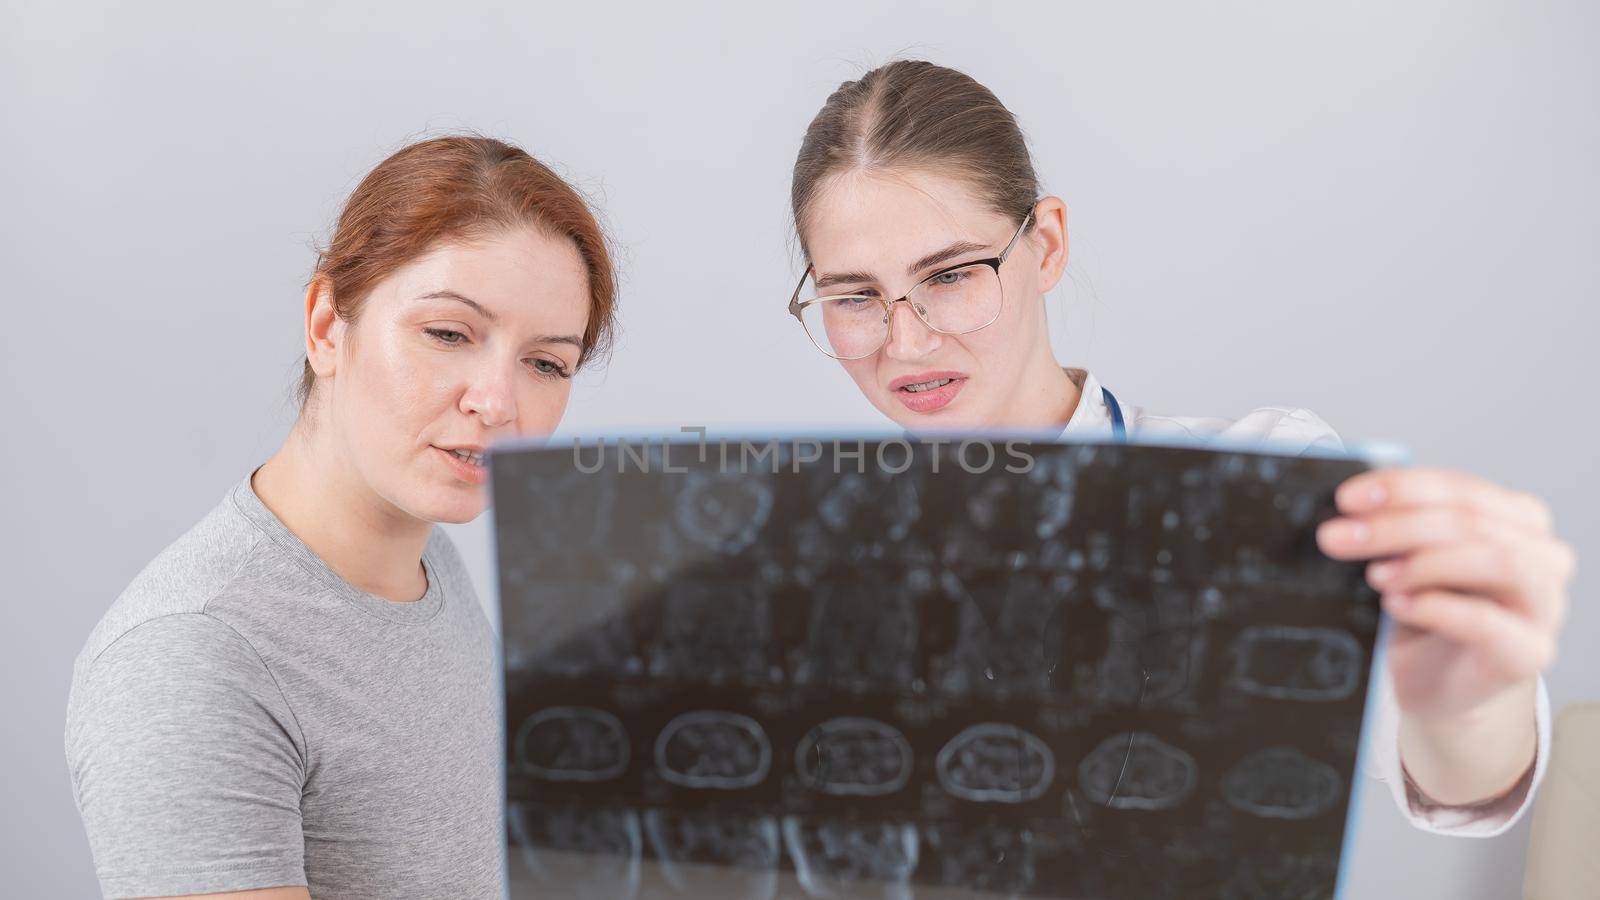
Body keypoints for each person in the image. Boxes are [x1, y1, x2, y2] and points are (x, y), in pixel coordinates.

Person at [785, 59, 1573, 835]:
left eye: (951, 275)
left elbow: (1457, 778)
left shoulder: (1262, 480)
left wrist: (1470, 710)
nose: (907, 341)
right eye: (854, 296)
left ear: (1047, 245)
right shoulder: (782, 559)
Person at [64, 135, 617, 898]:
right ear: (327, 325)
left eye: (547, 363)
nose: (498, 403)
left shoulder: (423, 561)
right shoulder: (192, 659)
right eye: (449, 334)